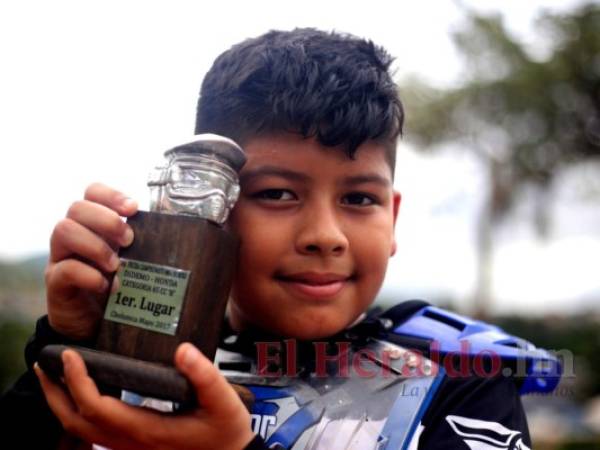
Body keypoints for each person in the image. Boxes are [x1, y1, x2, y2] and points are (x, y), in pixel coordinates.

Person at [0, 28, 542, 449]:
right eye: (279, 194)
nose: (325, 237)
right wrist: (68, 341)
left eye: (358, 199)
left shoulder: (462, 383)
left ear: (392, 217)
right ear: (212, 210)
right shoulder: (136, 359)